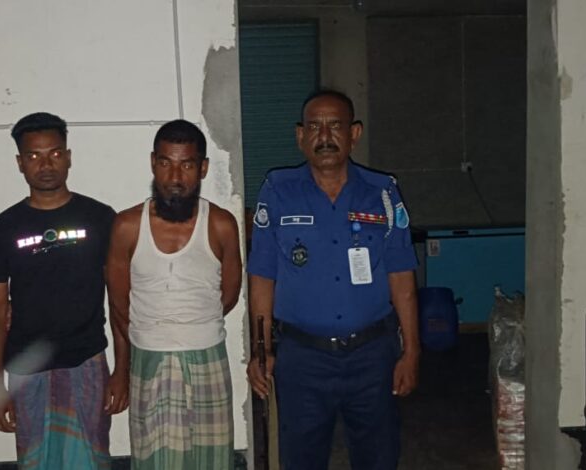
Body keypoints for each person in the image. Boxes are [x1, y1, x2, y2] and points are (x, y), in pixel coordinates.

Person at [246, 89, 420, 470]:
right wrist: (261, 349)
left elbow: (402, 276)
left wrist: (411, 350)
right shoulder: (277, 192)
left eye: (335, 126)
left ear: (354, 133)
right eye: (314, 127)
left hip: (372, 357)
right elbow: (261, 276)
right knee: (300, 460)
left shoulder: (382, 194)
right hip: (302, 359)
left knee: (379, 458)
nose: (324, 136)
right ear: (300, 135)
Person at [0, 112, 124, 469]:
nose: (46, 165)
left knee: (91, 459)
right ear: (20, 163)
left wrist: (123, 368)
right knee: (36, 461)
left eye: (55, 154)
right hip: (27, 369)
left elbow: (120, 299)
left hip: (86, 360)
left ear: (68, 157)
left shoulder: (100, 218)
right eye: (34, 156)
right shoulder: (2, 228)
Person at [106, 119, 242, 469]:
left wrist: (193, 328)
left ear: (203, 168)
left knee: (212, 461)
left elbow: (229, 295)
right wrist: (128, 361)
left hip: (208, 357)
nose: (175, 177)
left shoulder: (221, 225)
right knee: (155, 460)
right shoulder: (126, 226)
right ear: (153, 163)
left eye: (187, 165)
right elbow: (118, 304)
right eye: (166, 163)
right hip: (149, 359)